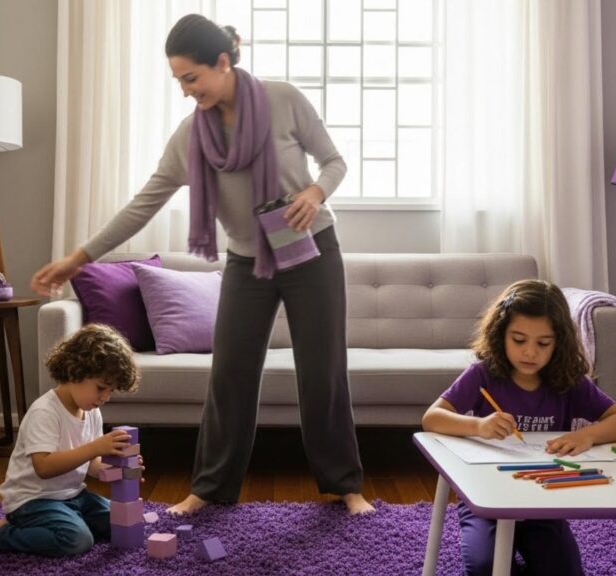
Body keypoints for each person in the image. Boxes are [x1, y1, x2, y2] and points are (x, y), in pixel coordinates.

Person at [30, 13, 374, 516]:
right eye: (178, 81)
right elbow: (143, 204)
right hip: (246, 263)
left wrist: (316, 192)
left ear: (222, 61)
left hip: (311, 252)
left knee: (323, 373)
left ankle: (346, 485)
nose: (187, 90)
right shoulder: (190, 136)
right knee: (230, 374)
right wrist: (77, 259)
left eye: (192, 77)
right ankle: (210, 486)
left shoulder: (284, 100)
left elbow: (334, 161)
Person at [422, 280, 616, 576]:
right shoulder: (483, 374)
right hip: (486, 501)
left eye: (543, 343)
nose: (530, 353)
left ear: (558, 341)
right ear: (501, 335)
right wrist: (479, 426)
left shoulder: (567, 380)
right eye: (519, 340)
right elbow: (432, 418)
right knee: (485, 568)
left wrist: (586, 435)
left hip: (542, 502)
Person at [0, 324, 142, 557]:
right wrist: (96, 446)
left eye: (110, 391)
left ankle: (70, 520)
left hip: (73, 495)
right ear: (75, 371)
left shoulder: (92, 411)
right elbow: (44, 467)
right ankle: (0, 534)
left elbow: (91, 466)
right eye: (101, 387)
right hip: (32, 501)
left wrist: (121, 469)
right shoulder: (45, 412)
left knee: (125, 521)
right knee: (76, 541)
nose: (105, 397)